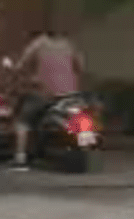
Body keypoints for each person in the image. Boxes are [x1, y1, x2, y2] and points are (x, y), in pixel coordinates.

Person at [10, 27, 85, 169]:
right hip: (70, 94)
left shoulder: (38, 44)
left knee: (22, 121)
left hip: (45, 93)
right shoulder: (69, 45)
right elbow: (80, 66)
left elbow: (20, 66)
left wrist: (17, 73)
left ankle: (20, 158)